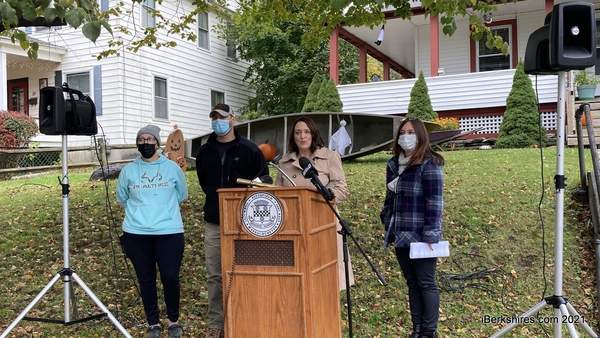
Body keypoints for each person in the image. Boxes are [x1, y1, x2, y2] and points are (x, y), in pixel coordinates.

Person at [195, 103, 269, 338]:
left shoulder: (249, 150)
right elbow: (205, 184)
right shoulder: (205, 152)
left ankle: (244, 317)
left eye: (222, 117)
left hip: (244, 223)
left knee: (245, 271)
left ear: (232, 119)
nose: (218, 121)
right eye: (214, 118)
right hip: (215, 221)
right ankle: (217, 323)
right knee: (215, 274)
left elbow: (264, 180)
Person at [116, 124, 188, 338]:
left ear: (157, 143)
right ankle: (153, 323)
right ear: (138, 143)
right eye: (142, 139)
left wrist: (161, 210)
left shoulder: (172, 168)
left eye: (150, 139)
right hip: (136, 233)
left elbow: (182, 194)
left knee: (170, 276)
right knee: (146, 278)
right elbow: (122, 198)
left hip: (169, 232)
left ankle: (173, 321)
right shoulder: (128, 171)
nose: (146, 142)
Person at [380, 118, 444, 338]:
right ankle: (416, 329)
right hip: (400, 234)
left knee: (426, 282)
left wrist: (430, 235)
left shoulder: (429, 164)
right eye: (403, 132)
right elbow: (389, 199)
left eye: (411, 132)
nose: (406, 136)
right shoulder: (392, 164)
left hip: (421, 236)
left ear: (420, 136)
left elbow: (434, 203)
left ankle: (429, 330)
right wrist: (387, 220)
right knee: (412, 283)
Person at [275, 116, 354, 290]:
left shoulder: (330, 156)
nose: (302, 136)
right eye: (298, 132)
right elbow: (278, 194)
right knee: (300, 280)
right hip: (294, 226)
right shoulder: (284, 162)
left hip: (323, 223)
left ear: (313, 134)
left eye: (306, 132)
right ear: (293, 136)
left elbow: (342, 188)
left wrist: (329, 194)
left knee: (327, 279)